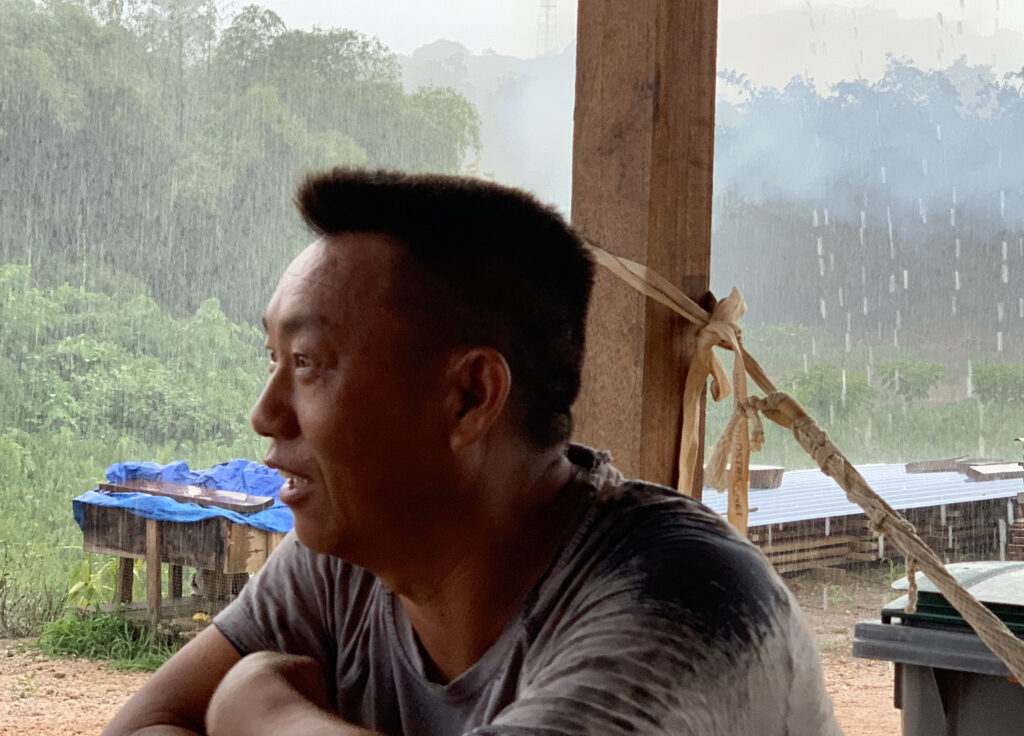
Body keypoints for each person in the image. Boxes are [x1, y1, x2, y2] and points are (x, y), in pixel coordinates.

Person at [103, 169, 841, 736]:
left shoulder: (685, 601)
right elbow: (141, 726)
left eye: (308, 363)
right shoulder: (346, 566)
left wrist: (262, 713)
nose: (265, 413)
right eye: (274, 358)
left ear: (468, 397)